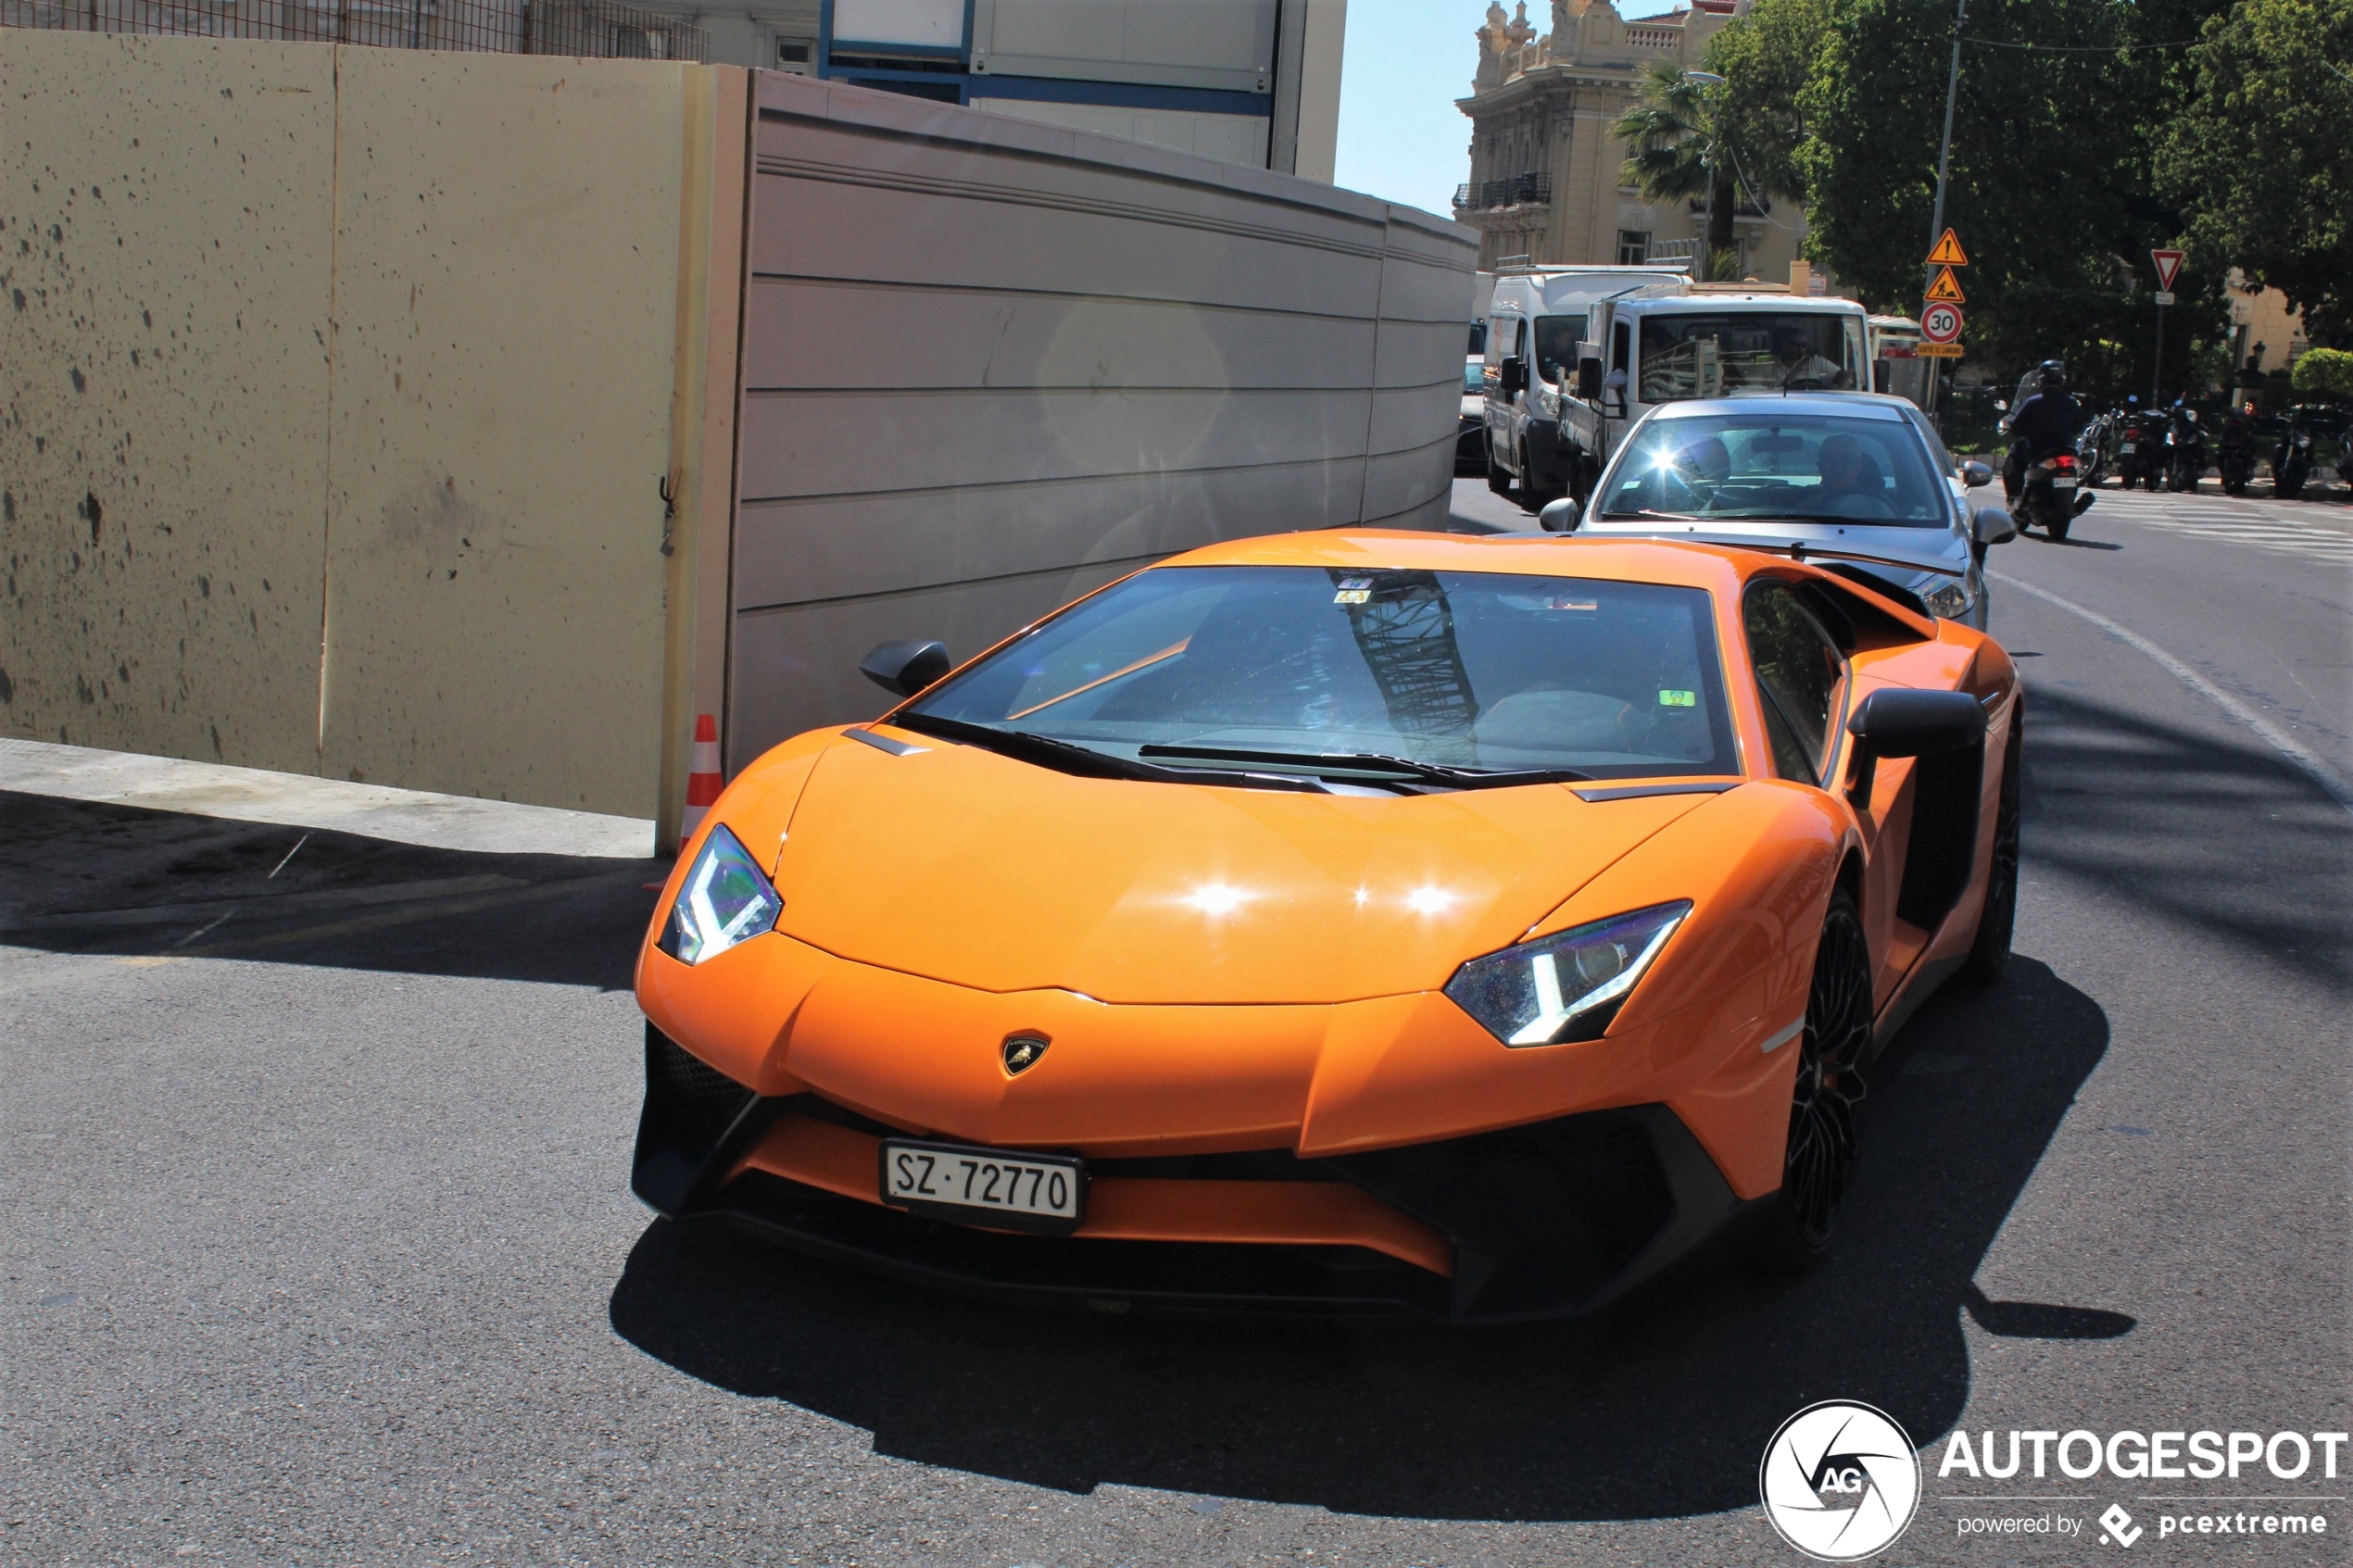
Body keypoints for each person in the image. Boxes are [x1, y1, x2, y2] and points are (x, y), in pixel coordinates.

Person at [2003, 361, 2083, 501]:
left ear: (2041, 379)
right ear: (2062, 379)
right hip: (2066, 450)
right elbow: (2079, 427)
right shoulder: (2071, 402)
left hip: (2039, 451)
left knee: (2016, 451)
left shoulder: (2032, 402)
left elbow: (2016, 429)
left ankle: (2018, 495)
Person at [1813, 433, 1893, 517]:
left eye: (1846, 460)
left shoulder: (1882, 507)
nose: (1838, 468)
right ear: (1820, 466)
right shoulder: (1801, 503)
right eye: (1829, 460)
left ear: (1860, 466)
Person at [1772, 324, 1845, 389]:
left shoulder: (1816, 362)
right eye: (1795, 344)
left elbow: (1843, 375)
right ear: (1784, 344)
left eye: (1803, 345)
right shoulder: (1768, 366)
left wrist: (1836, 388)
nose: (1800, 348)